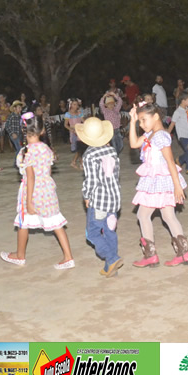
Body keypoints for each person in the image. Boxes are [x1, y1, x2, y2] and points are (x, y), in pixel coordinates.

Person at [1, 113, 73, 269]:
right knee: (56, 222)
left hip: (32, 191)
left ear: (23, 130)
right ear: (42, 131)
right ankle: (68, 257)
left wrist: (29, 202)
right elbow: (47, 172)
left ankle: (20, 255)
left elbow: (31, 177)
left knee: (23, 222)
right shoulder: (46, 149)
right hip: (47, 190)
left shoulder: (25, 152)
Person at [128, 101, 188, 268]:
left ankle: (151, 256)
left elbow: (170, 161)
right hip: (156, 180)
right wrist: (132, 121)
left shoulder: (161, 136)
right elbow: (133, 144)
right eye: (140, 121)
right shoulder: (150, 134)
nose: (141, 124)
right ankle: (184, 254)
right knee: (168, 216)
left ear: (156, 116)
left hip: (160, 180)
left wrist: (177, 186)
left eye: (144, 120)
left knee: (143, 215)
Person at [76, 117, 123, 278]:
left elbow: (91, 180)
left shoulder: (89, 155)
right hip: (114, 199)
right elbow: (116, 174)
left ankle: (112, 258)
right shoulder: (112, 151)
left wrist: (86, 196)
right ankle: (110, 267)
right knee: (110, 231)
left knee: (93, 233)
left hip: (99, 201)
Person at [63, 98, 84, 170]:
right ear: (71, 105)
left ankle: (77, 162)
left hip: (80, 132)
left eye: (77, 104)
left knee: (80, 148)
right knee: (79, 148)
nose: (76, 106)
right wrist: (71, 130)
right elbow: (65, 125)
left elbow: (83, 121)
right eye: (74, 104)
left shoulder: (79, 113)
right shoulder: (68, 114)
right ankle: (78, 162)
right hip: (73, 133)